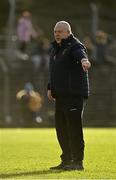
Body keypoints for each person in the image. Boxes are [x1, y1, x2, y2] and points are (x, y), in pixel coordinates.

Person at [47, 21, 91, 170]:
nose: (57, 34)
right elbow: (53, 70)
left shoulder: (74, 45)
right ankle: (66, 160)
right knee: (61, 129)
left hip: (74, 94)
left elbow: (80, 53)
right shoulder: (55, 49)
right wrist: (50, 88)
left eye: (60, 31)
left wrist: (84, 60)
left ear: (68, 32)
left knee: (74, 128)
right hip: (61, 95)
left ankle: (77, 162)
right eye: (55, 31)